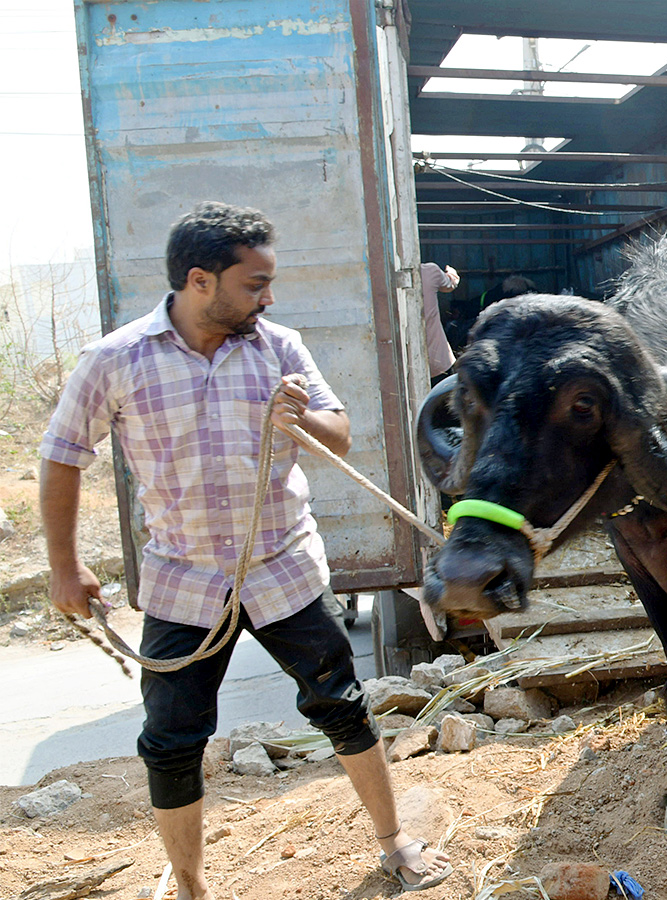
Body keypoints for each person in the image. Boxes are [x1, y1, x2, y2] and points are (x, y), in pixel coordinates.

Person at [39, 201, 452, 896]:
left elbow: (341, 432)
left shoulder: (279, 346)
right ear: (200, 281)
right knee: (171, 742)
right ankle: (193, 885)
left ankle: (394, 841)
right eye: (254, 284)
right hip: (183, 580)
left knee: (342, 705)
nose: (269, 297)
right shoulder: (113, 360)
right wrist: (63, 565)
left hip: (284, 568)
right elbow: (60, 457)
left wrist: (305, 421)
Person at [419, 261, 458, 380]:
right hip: (439, 364)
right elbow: (451, 283)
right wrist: (452, 273)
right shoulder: (429, 271)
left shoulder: (381, 279)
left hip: (404, 368)